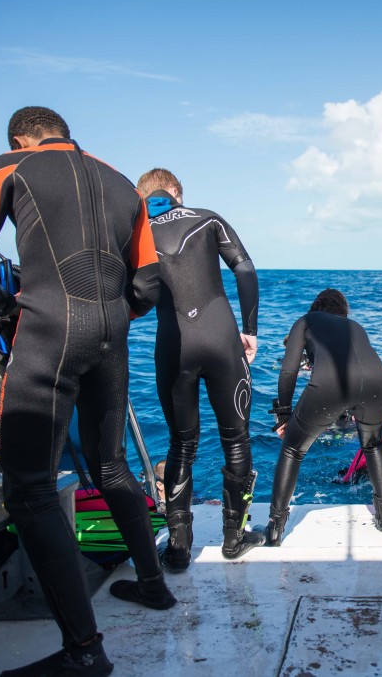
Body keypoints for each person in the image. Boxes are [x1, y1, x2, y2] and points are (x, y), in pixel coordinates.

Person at [0, 106, 175, 676]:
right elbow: (148, 283)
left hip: (48, 333)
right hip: (113, 335)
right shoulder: (123, 183)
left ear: (21, 137)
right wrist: (109, 318)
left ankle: (86, 652)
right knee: (111, 464)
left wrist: (4, 306)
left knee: (30, 490)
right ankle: (153, 584)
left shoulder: (10, 166)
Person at [135, 168, 265, 568]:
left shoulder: (136, 234)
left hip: (172, 347)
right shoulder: (207, 218)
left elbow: (133, 291)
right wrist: (250, 331)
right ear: (175, 191)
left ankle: (178, 550)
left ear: (144, 197)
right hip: (221, 339)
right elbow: (244, 269)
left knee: (181, 445)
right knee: (237, 440)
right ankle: (234, 538)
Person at [265, 288, 382, 544]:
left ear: (316, 307)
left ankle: (275, 528)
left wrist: (283, 415)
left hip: (332, 383)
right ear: (343, 310)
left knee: (293, 450)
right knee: (373, 445)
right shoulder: (355, 326)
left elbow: (289, 372)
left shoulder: (305, 321)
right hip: (379, 382)